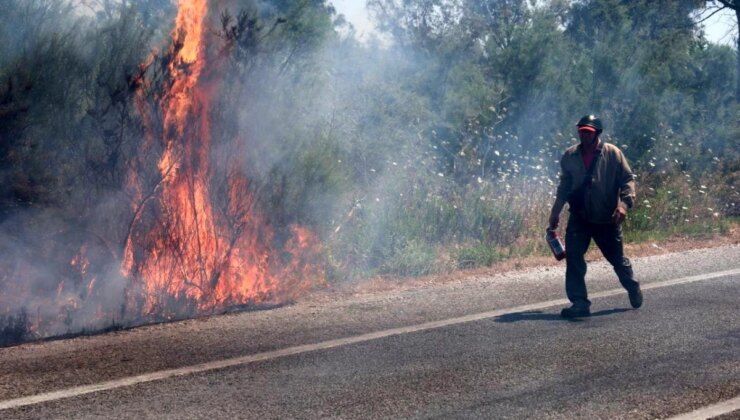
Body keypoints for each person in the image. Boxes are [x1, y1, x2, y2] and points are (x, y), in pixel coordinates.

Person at [548, 115, 642, 318]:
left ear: (597, 134)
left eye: (588, 132)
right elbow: (564, 187)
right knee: (573, 258)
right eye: (581, 131)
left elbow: (627, 180)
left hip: (606, 219)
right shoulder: (570, 156)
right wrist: (555, 212)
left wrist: (624, 205)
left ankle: (632, 286)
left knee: (617, 260)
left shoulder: (613, 154)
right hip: (579, 217)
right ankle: (579, 303)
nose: (583, 135)